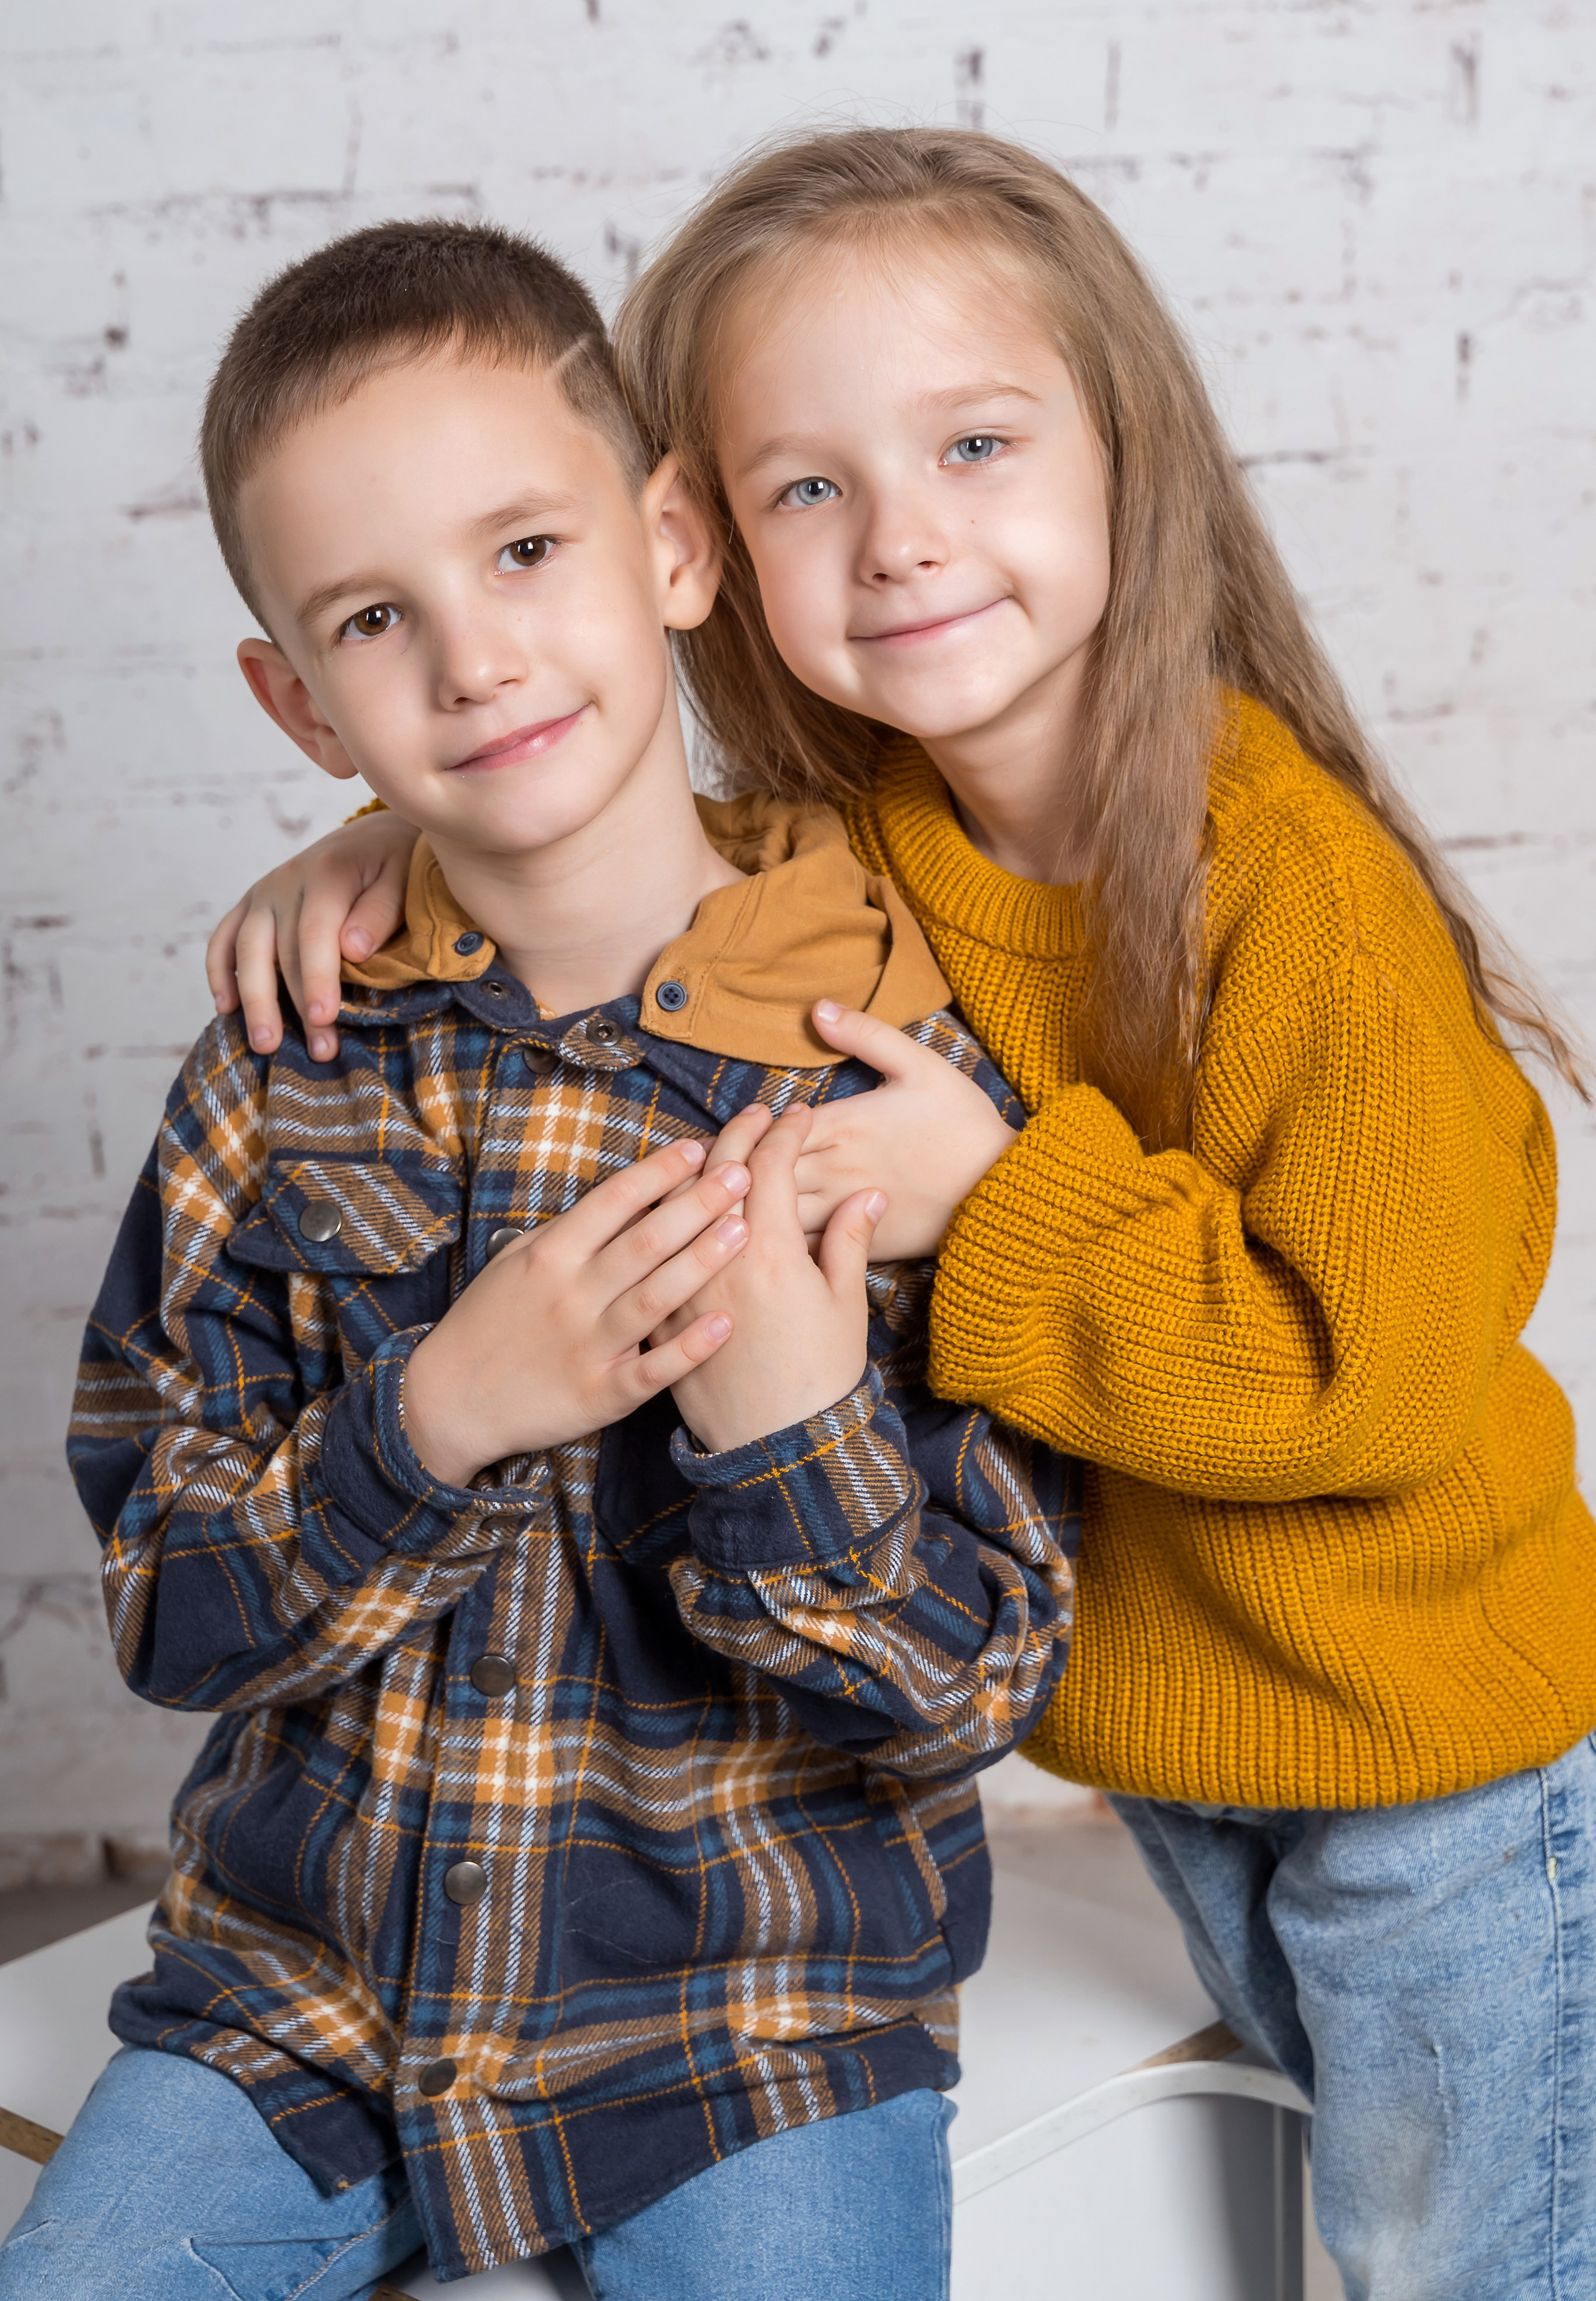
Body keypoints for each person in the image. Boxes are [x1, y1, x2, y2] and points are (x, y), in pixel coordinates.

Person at [214, 130, 1596, 2301]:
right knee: (1316, 2199)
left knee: (1467, 2256)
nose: (903, 540)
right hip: (1179, 1728)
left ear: (1127, 451)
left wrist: (1007, 1188)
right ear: (700, 540)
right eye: (808, 487)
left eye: (972, 442)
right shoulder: (863, 844)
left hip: (1423, 1747)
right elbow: (585, 823)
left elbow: (1375, 1381)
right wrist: (375, 851)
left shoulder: (1287, 887)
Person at [6, 218, 1080, 2301]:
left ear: (671, 544)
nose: (476, 661)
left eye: (524, 554)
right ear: (297, 704)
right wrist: (438, 1415)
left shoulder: (888, 1074)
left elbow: (979, 1685)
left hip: (753, 2022)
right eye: (374, 617)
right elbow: (165, 1601)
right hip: (305, 2005)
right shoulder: (276, 1073)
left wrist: (786, 1434)